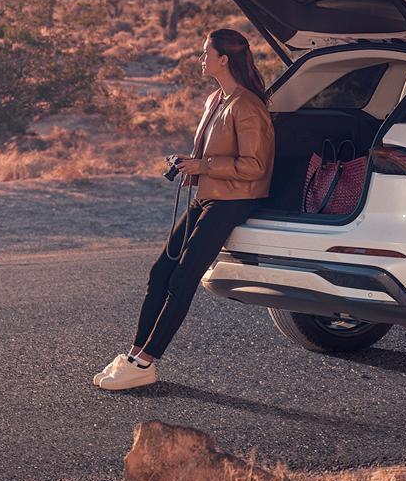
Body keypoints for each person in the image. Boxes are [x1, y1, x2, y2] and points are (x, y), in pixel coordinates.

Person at [93, 27, 275, 391]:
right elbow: (214, 155)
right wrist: (189, 165)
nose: (200, 58)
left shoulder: (248, 106)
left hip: (235, 200)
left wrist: (204, 166)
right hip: (208, 195)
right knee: (160, 271)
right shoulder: (215, 100)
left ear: (224, 59)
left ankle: (145, 362)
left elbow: (256, 167)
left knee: (182, 278)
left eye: (206, 52)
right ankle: (132, 354)